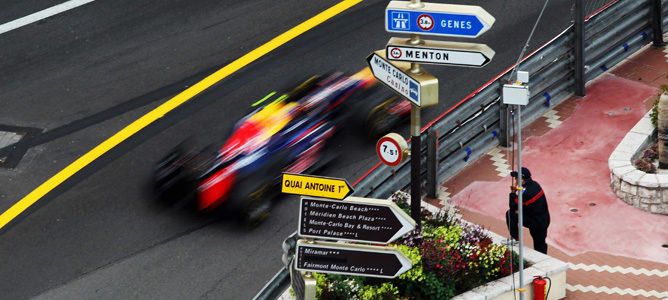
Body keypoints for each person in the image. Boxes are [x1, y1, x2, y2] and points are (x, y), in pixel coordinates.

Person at [505, 167, 550, 254]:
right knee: (540, 244)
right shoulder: (535, 185)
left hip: (536, 222)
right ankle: (543, 258)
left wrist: (513, 193)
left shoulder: (525, 193)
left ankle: (515, 239)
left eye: (516, 178)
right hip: (543, 219)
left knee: (510, 214)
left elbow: (512, 206)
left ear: (522, 179)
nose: (515, 180)